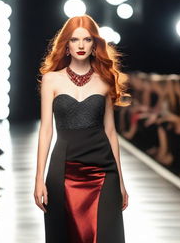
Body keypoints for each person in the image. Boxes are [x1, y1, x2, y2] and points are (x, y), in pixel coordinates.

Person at [34, 14, 131, 243]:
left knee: (106, 234)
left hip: (104, 167)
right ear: (66, 44)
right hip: (64, 168)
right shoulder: (52, 79)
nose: (80, 45)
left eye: (87, 40)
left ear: (94, 44)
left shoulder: (105, 79)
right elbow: (46, 129)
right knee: (66, 234)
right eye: (75, 40)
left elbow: (110, 131)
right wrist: (39, 178)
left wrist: (121, 181)